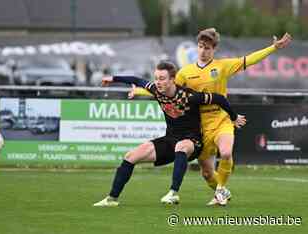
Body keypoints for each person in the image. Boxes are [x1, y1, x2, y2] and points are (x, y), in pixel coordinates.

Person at [131, 29, 292, 206]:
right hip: (200, 126)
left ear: (214, 49)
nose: (202, 51)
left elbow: (249, 60)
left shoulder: (222, 66)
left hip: (221, 119)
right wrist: (139, 90)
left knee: (225, 152)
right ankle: (221, 191)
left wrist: (273, 48)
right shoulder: (185, 72)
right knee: (207, 173)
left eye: (207, 48)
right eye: (200, 46)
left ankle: (220, 192)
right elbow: (166, 89)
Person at [93, 61, 246, 207]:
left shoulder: (189, 96)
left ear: (172, 79)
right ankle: (112, 199)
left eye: (162, 78)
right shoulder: (156, 91)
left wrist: (233, 117)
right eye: (156, 78)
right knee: (130, 156)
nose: (158, 82)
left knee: (181, 147)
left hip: (193, 141)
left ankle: (173, 193)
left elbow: (219, 98)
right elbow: (136, 79)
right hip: (170, 139)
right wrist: (112, 78)